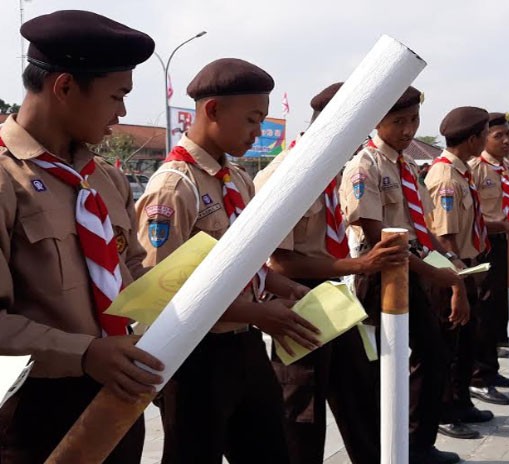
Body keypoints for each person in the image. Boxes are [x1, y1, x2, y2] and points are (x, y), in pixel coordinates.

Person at [136, 58, 322, 463]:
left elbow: (246, 263)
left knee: (270, 450)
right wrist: (258, 313)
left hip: (245, 345)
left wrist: (287, 288)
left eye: (262, 120)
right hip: (195, 355)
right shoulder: (174, 187)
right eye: (252, 119)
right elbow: (160, 294)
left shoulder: (237, 180)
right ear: (214, 110)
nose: (258, 132)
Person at [0, 10, 164, 463]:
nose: (122, 112)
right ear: (66, 87)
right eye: (117, 96)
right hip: (34, 413)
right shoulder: (5, 181)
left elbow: (131, 270)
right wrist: (84, 352)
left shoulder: (105, 179)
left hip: (117, 395)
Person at [254, 82, 409, 464]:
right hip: (299, 294)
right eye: (358, 131)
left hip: (334, 290)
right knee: (302, 407)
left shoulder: (328, 169)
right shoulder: (286, 175)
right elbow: (281, 262)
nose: (363, 142)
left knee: (359, 390)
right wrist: (360, 265)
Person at [340, 86, 469, 464]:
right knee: (381, 364)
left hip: (413, 269)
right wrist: (439, 275)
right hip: (378, 275)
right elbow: (378, 237)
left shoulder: (408, 165)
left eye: (414, 119)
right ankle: (388, 446)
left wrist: (451, 263)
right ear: (377, 120)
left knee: (431, 353)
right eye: (399, 121)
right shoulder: (365, 166)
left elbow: (422, 229)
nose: (408, 129)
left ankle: (416, 443)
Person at [425, 106, 495, 440]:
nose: (486, 140)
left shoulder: (461, 173)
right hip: (451, 270)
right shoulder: (446, 178)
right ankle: (444, 410)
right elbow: (443, 235)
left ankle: (462, 401)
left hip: (467, 266)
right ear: (472, 139)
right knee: (447, 346)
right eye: (485, 134)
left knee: (466, 342)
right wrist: (457, 278)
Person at [468, 112, 509, 405]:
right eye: (499, 136)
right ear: (484, 138)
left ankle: (489, 369)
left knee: (496, 309)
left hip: (505, 239)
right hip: (484, 242)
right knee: (483, 309)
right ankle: (477, 376)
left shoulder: (503, 167)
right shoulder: (475, 168)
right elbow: (472, 216)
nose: (507, 141)